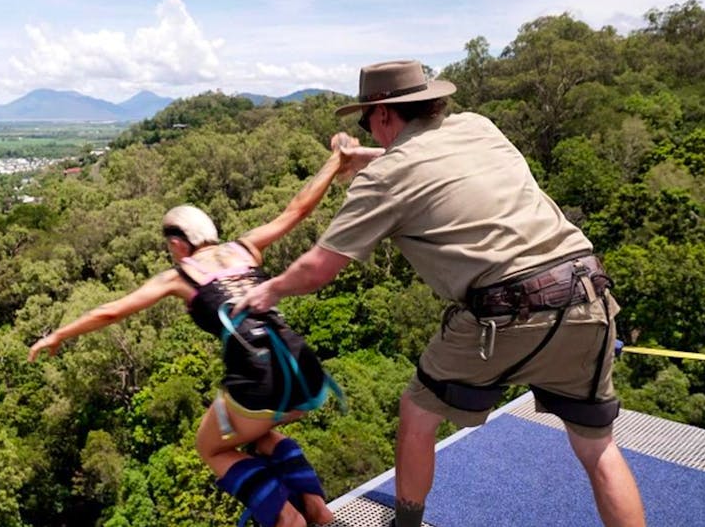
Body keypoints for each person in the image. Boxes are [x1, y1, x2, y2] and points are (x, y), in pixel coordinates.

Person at [234, 60, 647, 527]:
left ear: (384, 114)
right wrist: (364, 156)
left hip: (505, 311)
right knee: (598, 447)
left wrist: (268, 290)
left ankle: (407, 524)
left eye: (366, 119)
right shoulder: (478, 127)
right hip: (586, 291)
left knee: (418, 411)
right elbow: (436, 161)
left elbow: (319, 268)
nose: (368, 128)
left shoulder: (385, 178)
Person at [29, 140, 377, 527]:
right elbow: (299, 208)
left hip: (255, 378)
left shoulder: (178, 276)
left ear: (178, 244)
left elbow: (111, 311)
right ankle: (318, 511)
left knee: (211, 448)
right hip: (301, 367)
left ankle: (288, 518)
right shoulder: (247, 247)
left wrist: (58, 335)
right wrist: (336, 160)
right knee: (259, 438)